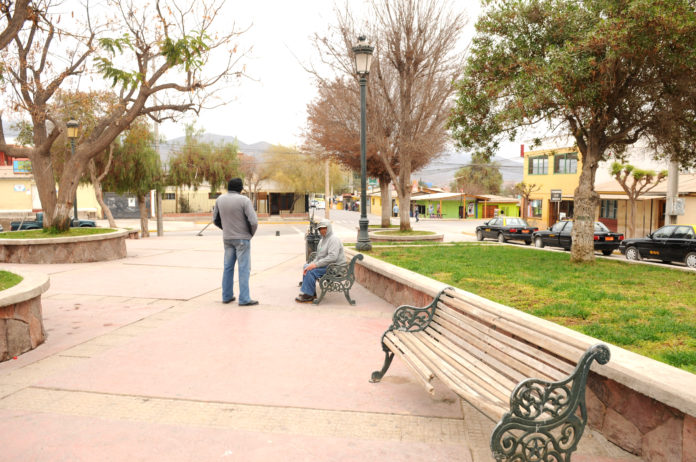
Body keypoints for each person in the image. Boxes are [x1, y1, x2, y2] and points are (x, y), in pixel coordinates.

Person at [213, 178, 259, 306]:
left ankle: (226, 296)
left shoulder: (219, 199)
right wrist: (250, 234)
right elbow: (254, 221)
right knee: (244, 269)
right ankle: (244, 299)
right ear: (240, 189)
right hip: (242, 239)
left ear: (228, 187)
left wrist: (226, 229)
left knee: (228, 267)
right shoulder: (244, 200)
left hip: (227, 238)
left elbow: (215, 220)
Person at [296, 219, 345, 303]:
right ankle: (311, 292)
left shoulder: (334, 239)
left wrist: (315, 265)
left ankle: (309, 296)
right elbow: (319, 256)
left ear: (329, 228)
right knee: (306, 267)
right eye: (320, 229)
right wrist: (312, 264)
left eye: (324, 228)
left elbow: (332, 257)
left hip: (335, 267)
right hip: (327, 265)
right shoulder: (322, 240)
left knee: (311, 271)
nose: (322, 230)